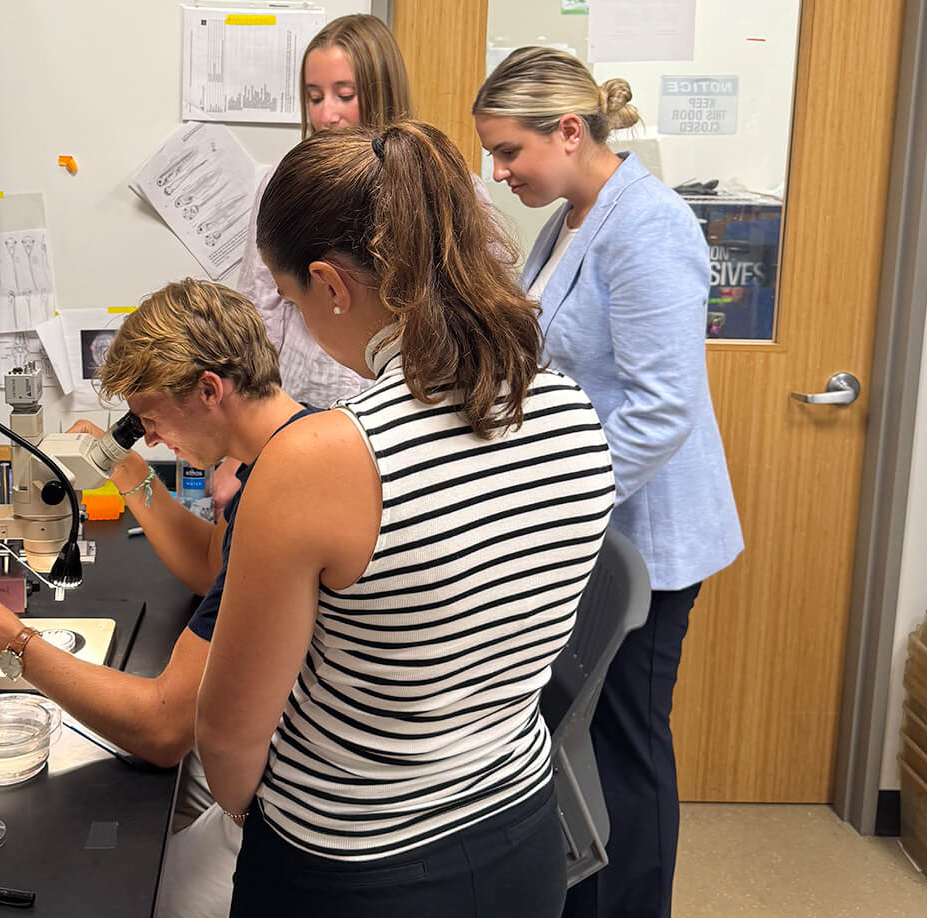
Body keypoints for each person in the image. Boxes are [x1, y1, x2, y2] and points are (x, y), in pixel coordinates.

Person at [194, 120, 616, 918]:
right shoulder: (572, 414)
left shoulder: (323, 459)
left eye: (293, 301)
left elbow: (226, 733)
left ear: (331, 284)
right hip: (520, 838)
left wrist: (272, 819)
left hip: (353, 865)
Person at [0, 278, 315, 918]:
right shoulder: (279, 452)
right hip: (266, 756)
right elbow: (210, 566)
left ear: (210, 390)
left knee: (124, 892)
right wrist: (128, 471)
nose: (152, 439)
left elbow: (162, 728)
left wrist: (10, 637)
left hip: (294, 807)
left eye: (152, 419)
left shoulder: (284, 492)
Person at [473, 46, 744, 918]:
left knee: (627, 746)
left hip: (647, 541)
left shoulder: (648, 224)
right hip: (591, 528)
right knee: (578, 739)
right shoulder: (570, 217)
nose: (500, 171)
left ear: (568, 130)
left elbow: (664, 409)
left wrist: (558, 501)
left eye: (510, 152)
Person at [211, 13, 415, 513]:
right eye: (315, 95)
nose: (327, 114)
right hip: (293, 424)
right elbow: (254, 320)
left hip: (395, 436)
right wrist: (238, 444)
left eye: (345, 95)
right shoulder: (282, 187)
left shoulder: (429, 190)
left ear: (382, 91)